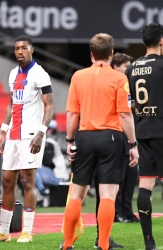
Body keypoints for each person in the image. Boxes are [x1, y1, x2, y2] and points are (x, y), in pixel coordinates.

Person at [62, 33, 139, 250]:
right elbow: (125, 115)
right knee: (107, 193)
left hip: (84, 137)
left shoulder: (78, 76)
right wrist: (132, 145)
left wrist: (69, 141)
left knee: (77, 192)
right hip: (111, 138)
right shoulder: (119, 78)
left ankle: (67, 244)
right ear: (112, 54)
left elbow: (71, 114)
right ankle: (103, 244)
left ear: (91, 54)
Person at [0, 35, 54, 243]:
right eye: (16, 49)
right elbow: (12, 104)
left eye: (23, 48)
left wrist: (41, 132)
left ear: (32, 50)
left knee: (27, 181)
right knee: (6, 181)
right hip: (13, 135)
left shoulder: (40, 74)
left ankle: (27, 232)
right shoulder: (13, 74)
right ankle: (3, 232)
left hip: (31, 135)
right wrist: (3, 130)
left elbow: (50, 106)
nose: (19, 52)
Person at [125, 23, 163, 250]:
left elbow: (129, 103)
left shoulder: (132, 68)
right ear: (161, 41)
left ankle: (149, 242)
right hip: (161, 128)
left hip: (142, 131)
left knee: (145, 186)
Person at [109, 53, 140, 223]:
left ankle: (127, 210)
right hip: (115, 132)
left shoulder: (129, 83)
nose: (129, 69)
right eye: (126, 66)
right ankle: (117, 212)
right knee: (119, 175)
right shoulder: (112, 82)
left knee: (131, 173)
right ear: (115, 66)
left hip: (128, 131)